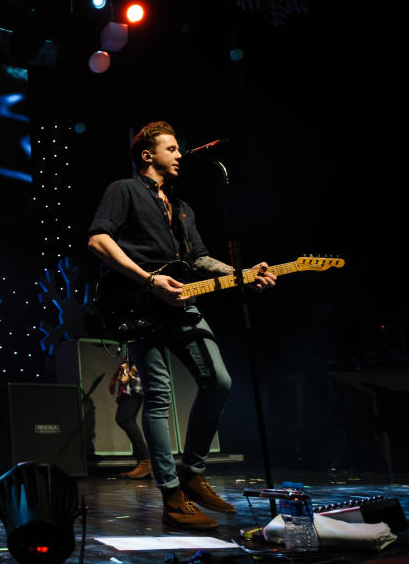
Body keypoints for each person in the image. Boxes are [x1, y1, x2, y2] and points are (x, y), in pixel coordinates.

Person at [87, 121, 276, 529]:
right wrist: (150, 280)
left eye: (178, 149)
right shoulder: (124, 190)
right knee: (158, 396)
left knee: (220, 380)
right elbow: (99, 241)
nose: (179, 156)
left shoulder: (182, 206)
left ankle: (191, 471)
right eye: (171, 149)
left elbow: (201, 260)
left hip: (180, 303)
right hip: (137, 305)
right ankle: (171, 494)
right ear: (147, 155)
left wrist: (244, 272)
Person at [109, 359, 151, 479]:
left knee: (124, 418)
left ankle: (145, 461)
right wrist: (113, 378)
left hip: (134, 383)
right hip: (129, 384)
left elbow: (140, 353)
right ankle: (143, 461)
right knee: (127, 419)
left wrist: (130, 374)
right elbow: (126, 359)